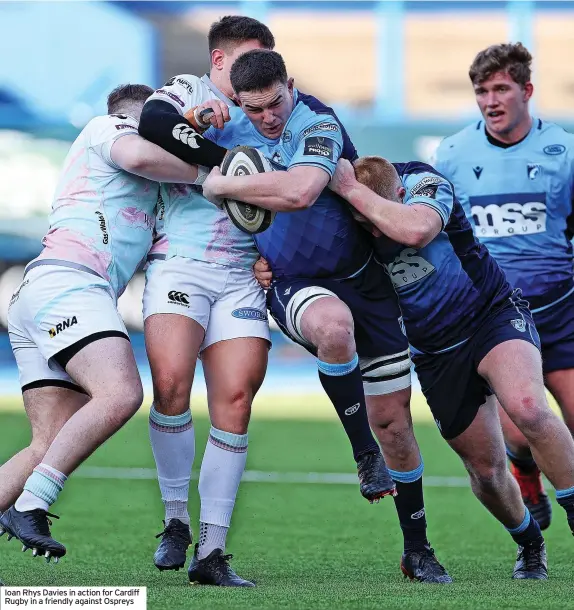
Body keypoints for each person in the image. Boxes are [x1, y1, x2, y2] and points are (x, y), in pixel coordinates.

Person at [199, 49, 452, 584]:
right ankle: (364, 455)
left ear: (290, 85)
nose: (268, 117)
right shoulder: (226, 129)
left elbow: (303, 190)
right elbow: (156, 134)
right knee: (333, 328)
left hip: (366, 280)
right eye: (255, 108)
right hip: (295, 283)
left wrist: (221, 185)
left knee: (398, 426)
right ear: (237, 100)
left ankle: (418, 549)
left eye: (275, 103)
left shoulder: (317, 123)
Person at [323, 154, 574, 579]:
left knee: (529, 406)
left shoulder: (423, 181)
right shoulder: (350, 220)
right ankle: (530, 544)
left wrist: (351, 190)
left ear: (398, 194)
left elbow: (418, 229)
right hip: (435, 353)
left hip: (490, 315)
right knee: (487, 472)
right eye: (363, 222)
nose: (373, 229)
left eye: (376, 217)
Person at [0, 84, 201, 561]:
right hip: (70, 284)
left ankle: (24, 497)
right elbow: (141, 154)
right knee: (121, 393)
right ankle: (31, 503)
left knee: (47, 445)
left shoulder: (149, 186)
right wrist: (211, 170)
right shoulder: (108, 128)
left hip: (46, 292)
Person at [137, 16, 276, 586]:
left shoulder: (274, 112)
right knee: (170, 384)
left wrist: (278, 256)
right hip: (181, 263)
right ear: (218, 61)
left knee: (236, 399)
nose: (254, 72)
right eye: (244, 59)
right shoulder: (190, 93)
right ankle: (174, 519)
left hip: (243, 274)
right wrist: (218, 157)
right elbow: (153, 121)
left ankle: (212, 551)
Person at [434, 42, 574, 531]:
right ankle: (528, 481)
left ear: (526, 90)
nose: (491, 100)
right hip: (496, 316)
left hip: (560, 311)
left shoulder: (565, 150)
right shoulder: (451, 155)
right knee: (519, 428)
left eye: (501, 89)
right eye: (481, 91)